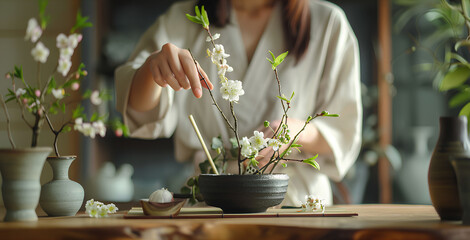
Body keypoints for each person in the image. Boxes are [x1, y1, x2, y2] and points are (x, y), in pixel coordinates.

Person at [115, 0, 362, 206]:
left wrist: (292, 132)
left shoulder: (328, 23)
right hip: (209, 201)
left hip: (295, 202)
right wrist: (152, 71)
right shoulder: (184, 18)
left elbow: (342, 134)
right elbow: (138, 110)